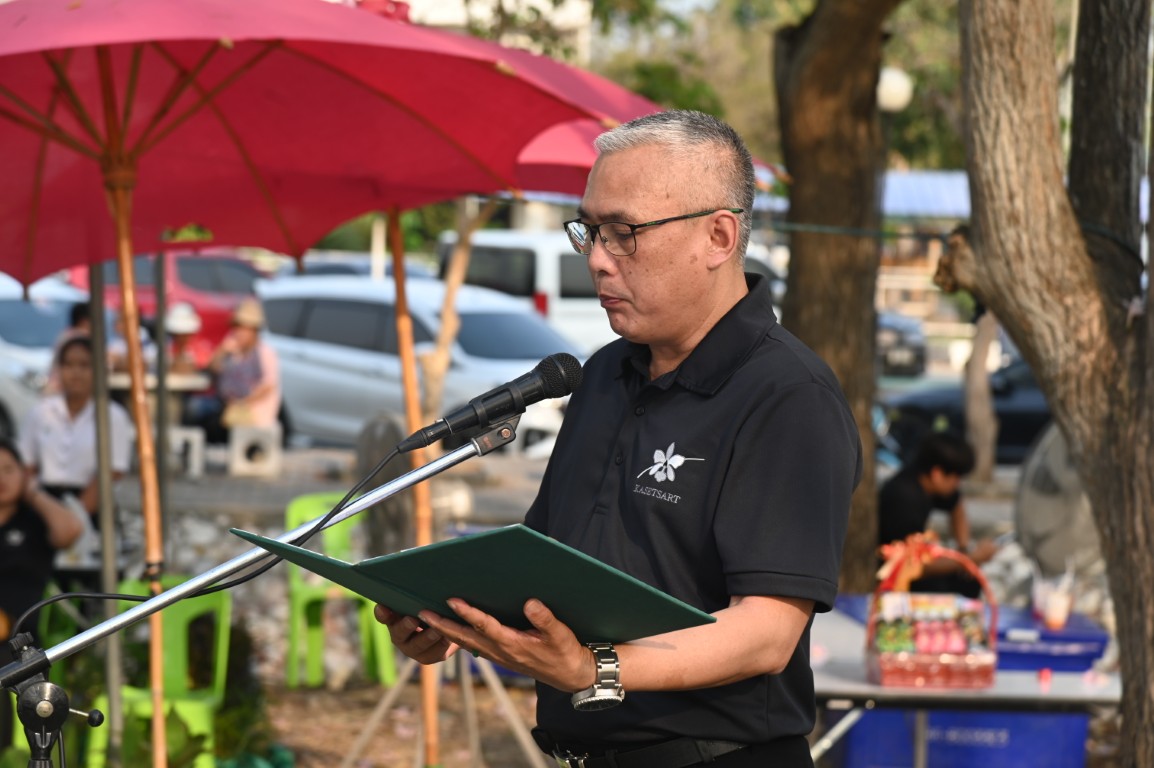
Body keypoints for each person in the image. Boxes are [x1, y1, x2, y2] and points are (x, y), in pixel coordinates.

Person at [375, 110, 862, 766]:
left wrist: (596, 669)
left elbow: (766, 631)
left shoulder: (787, 393)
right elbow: (546, 567)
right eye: (590, 231)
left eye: (624, 233)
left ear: (718, 236)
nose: (598, 260)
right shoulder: (603, 374)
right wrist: (452, 616)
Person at [0, 438, 84, 752]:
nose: (1, 478)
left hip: (19, 639)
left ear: (24, 474)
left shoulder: (33, 521)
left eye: (8, 469)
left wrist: (32, 492)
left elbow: (71, 530)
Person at [19, 336, 134, 524]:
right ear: (59, 369)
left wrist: (74, 519)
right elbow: (27, 466)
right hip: (44, 504)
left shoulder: (113, 416)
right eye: (68, 365)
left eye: (84, 365)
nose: (76, 372)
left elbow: (112, 472)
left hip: (93, 506)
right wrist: (44, 506)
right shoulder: (41, 412)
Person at [877, 431, 998, 597]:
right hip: (893, 576)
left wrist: (963, 548)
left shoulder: (922, 479)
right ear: (937, 474)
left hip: (915, 562)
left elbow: (956, 506)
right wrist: (969, 559)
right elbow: (914, 566)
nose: (957, 484)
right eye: (955, 478)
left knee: (968, 580)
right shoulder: (904, 499)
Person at [197, 297, 280, 444]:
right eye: (237, 327)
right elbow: (212, 369)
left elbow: (268, 385)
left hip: (253, 414)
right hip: (230, 410)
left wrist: (241, 402)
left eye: (244, 328)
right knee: (198, 413)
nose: (239, 332)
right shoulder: (234, 352)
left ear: (254, 330)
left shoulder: (264, 352)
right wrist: (222, 351)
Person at [163, 302, 211, 374]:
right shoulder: (167, 348)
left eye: (184, 334)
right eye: (177, 333)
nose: (180, 337)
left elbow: (204, 366)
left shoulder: (201, 348)